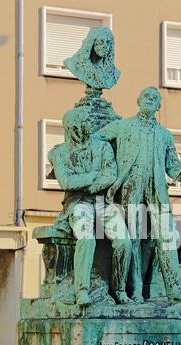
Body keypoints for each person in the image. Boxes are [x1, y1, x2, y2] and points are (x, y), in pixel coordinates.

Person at [92, 86, 181, 303]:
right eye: (147, 96)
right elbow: (95, 140)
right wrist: (106, 167)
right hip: (130, 187)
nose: (151, 99)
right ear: (138, 100)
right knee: (133, 240)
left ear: (159, 106)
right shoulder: (123, 126)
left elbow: (173, 167)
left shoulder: (164, 135)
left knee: (167, 237)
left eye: (155, 98)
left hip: (156, 190)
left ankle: (175, 290)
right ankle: (135, 291)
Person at [48, 107, 132, 307]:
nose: (82, 130)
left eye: (85, 125)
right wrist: (95, 174)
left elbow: (111, 174)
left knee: (124, 242)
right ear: (68, 128)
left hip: (103, 201)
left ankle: (119, 289)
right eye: (77, 126)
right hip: (78, 203)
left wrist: (88, 182)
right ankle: (81, 291)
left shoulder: (102, 147)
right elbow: (66, 183)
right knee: (86, 238)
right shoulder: (60, 152)